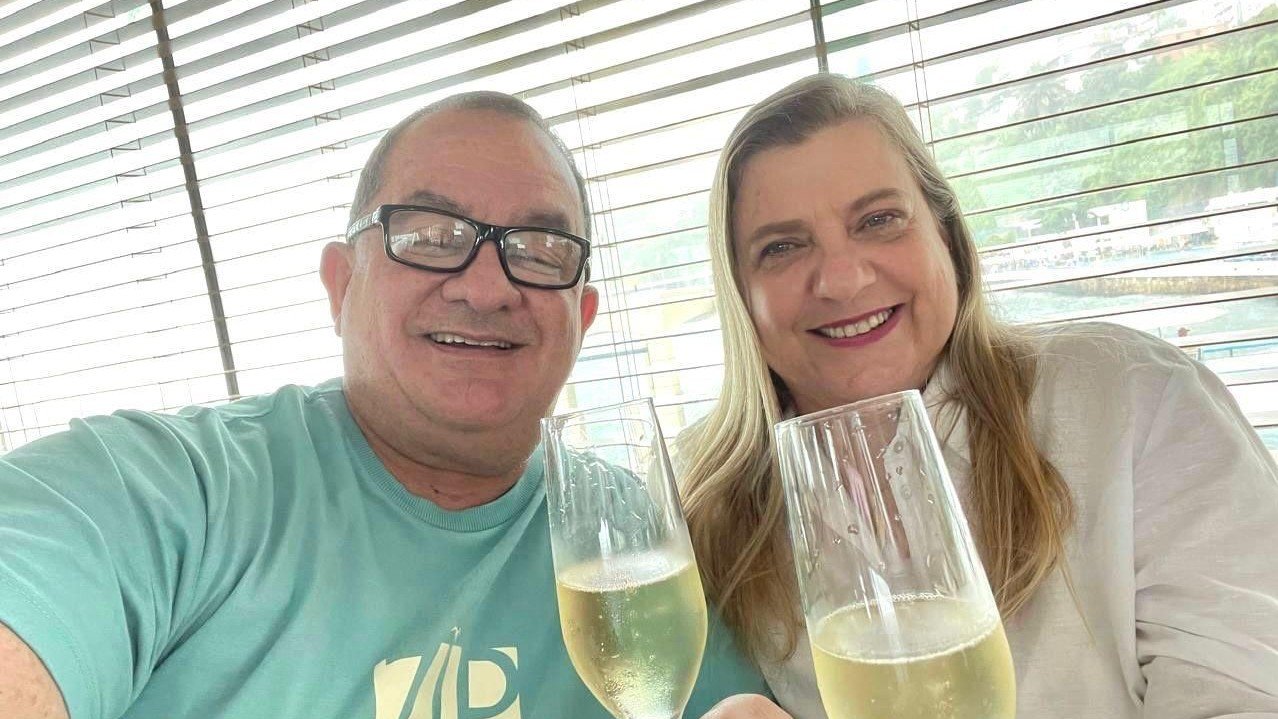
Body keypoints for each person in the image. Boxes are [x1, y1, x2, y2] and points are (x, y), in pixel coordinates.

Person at [0, 92, 772, 719]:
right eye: (431, 235)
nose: (487, 287)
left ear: (583, 316)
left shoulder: (633, 535)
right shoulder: (171, 491)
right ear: (341, 286)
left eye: (540, 250)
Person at [676, 73, 1278, 719]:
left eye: (879, 220)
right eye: (783, 247)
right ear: (741, 293)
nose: (842, 280)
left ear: (947, 237)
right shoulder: (706, 505)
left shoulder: (1131, 397)